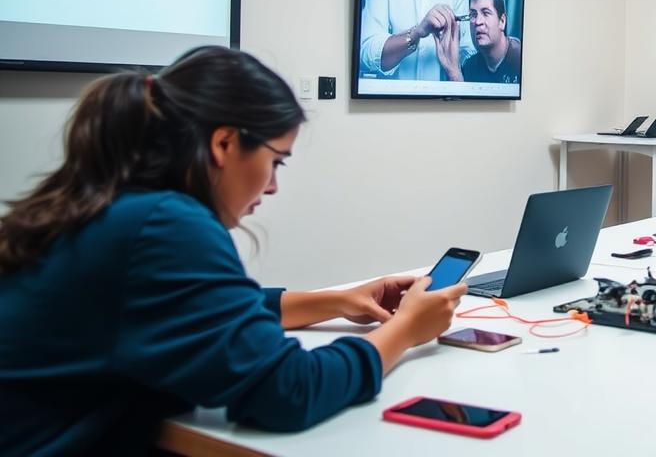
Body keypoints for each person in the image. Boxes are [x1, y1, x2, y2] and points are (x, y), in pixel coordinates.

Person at [0, 47, 467, 454]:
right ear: (224, 143)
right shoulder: (165, 224)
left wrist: (338, 300)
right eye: (274, 161)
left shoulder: (115, 204)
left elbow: (193, 308)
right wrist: (406, 330)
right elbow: (290, 391)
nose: (274, 186)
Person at [358, 0, 473, 81]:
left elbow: (468, 56)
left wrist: (453, 61)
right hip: (389, 100)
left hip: (442, 100)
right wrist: (416, 33)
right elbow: (366, 54)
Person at [456, 0, 521, 85]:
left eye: (485, 13)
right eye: (473, 15)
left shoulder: (520, 59)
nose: (477, 22)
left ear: (502, 21)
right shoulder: (469, 67)